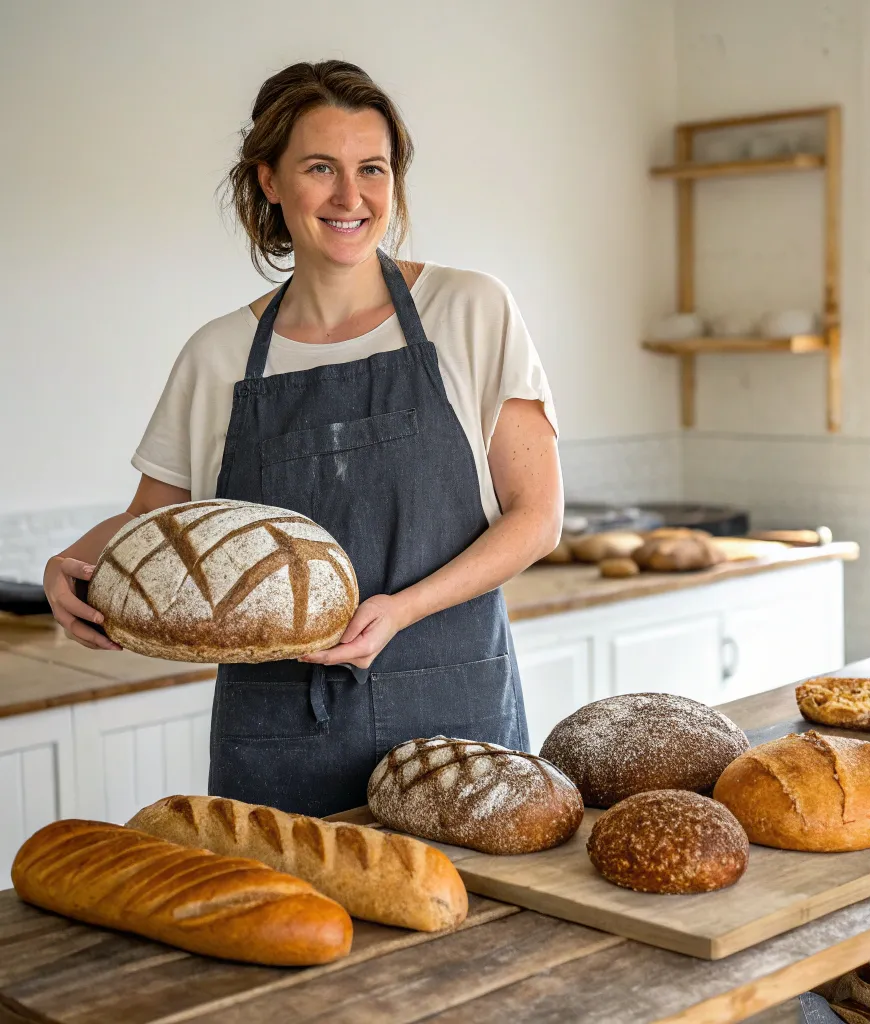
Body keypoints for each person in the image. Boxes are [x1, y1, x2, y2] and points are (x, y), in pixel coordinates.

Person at [42, 60, 563, 816]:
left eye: (372, 169)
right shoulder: (218, 355)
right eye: (321, 167)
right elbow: (152, 524)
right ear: (271, 181)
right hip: (279, 733)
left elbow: (536, 517)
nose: (351, 197)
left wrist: (403, 610)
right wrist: (73, 565)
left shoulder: (471, 309)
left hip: (455, 725)